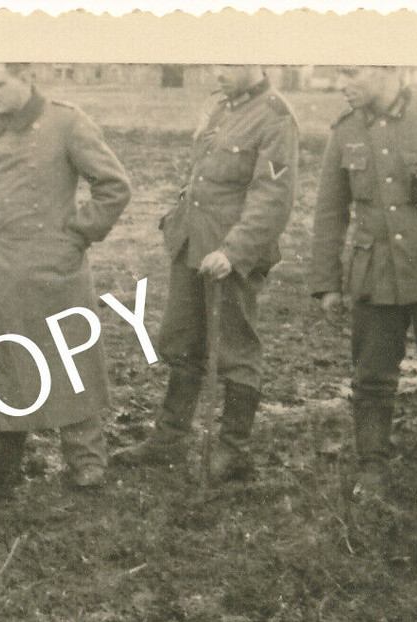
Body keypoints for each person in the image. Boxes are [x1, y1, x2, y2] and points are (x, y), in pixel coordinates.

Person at [0, 63, 131, 489]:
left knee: (68, 357)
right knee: (7, 361)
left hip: (54, 270)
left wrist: (76, 235)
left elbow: (113, 186)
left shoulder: (66, 122)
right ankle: (6, 459)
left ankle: (86, 458)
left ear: (27, 75)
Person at [126, 65, 299, 481]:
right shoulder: (220, 107)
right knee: (182, 340)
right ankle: (169, 439)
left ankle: (233, 448)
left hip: (230, 254)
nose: (218, 72)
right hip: (192, 243)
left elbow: (272, 197)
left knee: (235, 350)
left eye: (228, 64)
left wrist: (233, 251)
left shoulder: (275, 117)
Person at [310, 67, 417, 502]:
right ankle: (373, 469)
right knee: (372, 379)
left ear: (388, 69)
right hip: (376, 275)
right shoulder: (345, 131)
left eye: (354, 72)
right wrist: (327, 283)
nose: (343, 84)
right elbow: (330, 212)